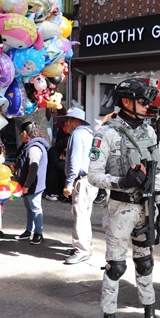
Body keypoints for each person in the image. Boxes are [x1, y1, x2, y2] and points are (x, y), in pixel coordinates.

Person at [87, 78, 160, 318]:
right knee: (116, 266)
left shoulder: (150, 131)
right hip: (120, 208)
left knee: (145, 262)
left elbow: (155, 174)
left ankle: (149, 313)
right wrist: (121, 182)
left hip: (146, 208)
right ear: (125, 101)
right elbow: (93, 176)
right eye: (143, 101)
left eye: (148, 102)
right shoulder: (107, 132)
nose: (147, 106)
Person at [61, 107, 99, 264]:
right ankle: (86, 245)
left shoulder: (77, 134)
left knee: (80, 215)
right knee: (85, 214)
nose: (66, 124)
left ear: (74, 122)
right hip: (91, 179)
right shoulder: (89, 134)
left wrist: (69, 183)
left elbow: (74, 161)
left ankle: (81, 249)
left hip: (82, 180)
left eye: (68, 121)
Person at [14, 122, 50, 245]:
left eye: (22, 132)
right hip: (29, 185)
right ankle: (29, 231)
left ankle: (38, 233)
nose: (20, 134)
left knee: (35, 209)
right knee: (30, 209)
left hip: (33, 186)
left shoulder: (34, 148)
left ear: (25, 133)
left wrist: (27, 185)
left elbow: (33, 168)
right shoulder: (28, 146)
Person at [45, 132, 69, 201]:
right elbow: (56, 163)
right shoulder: (53, 150)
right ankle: (51, 193)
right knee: (53, 170)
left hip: (62, 170)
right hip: (53, 171)